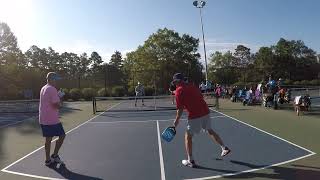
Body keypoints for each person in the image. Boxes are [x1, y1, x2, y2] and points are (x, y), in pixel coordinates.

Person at [172, 73, 231, 168]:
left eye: (175, 82)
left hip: (195, 116)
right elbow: (199, 97)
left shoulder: (178, 91)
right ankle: (224, 148)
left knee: (188, 136)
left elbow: (180, 109)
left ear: (176, 82)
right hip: (206, 112)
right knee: (209, 130)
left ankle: (190, 160)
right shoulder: (193, 86)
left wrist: (177, 120)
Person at [39, 72, 66, 166]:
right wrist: (61, 97)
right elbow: (57, 105)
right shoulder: (52, 89)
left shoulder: (44, 88)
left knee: (48, 139)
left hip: (43, 118)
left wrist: (57, 96)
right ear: (52, 79)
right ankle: (54, 155)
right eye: (56, 80)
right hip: (52, 119)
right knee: (62, 135)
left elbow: (50, 100)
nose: (56, 82)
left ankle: (48, 160)